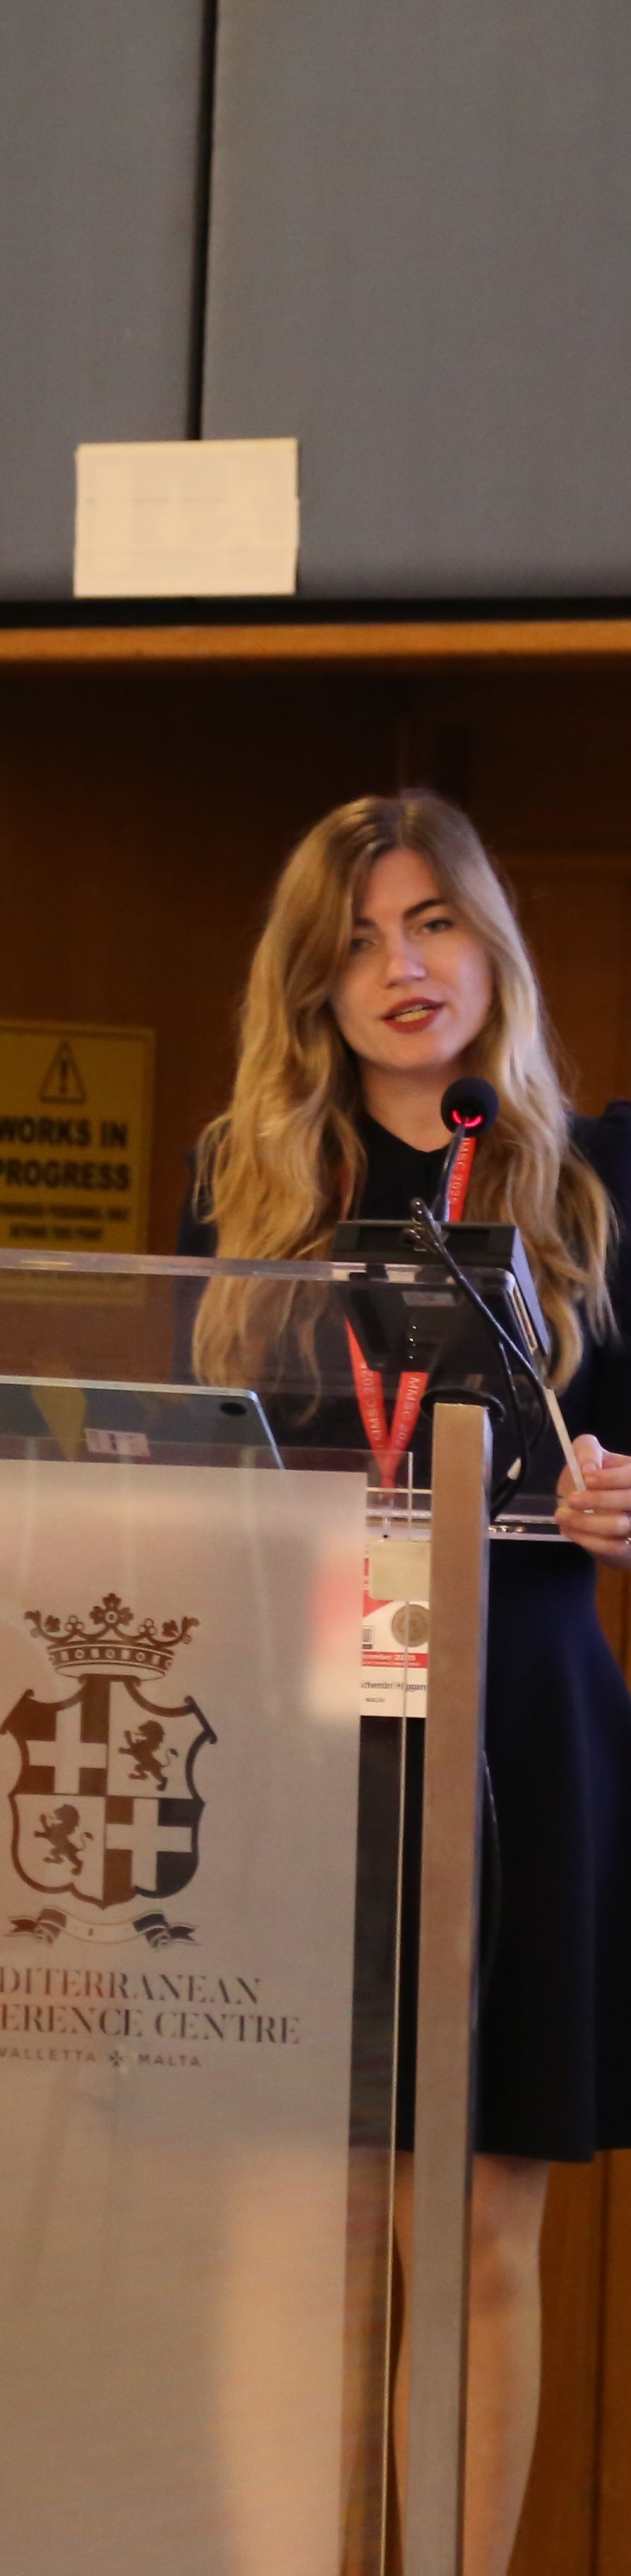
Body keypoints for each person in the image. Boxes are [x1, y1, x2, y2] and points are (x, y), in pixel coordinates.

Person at [179, 789, 631, 2576]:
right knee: (307, 2226)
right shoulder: (249, 1185)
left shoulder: (595, 1183)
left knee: (480, 2229)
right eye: (357, 939)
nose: (401, 965)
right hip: (304, 1732)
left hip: (526, 1720)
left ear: (488, 944)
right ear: (312, 985)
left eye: (433, 920)